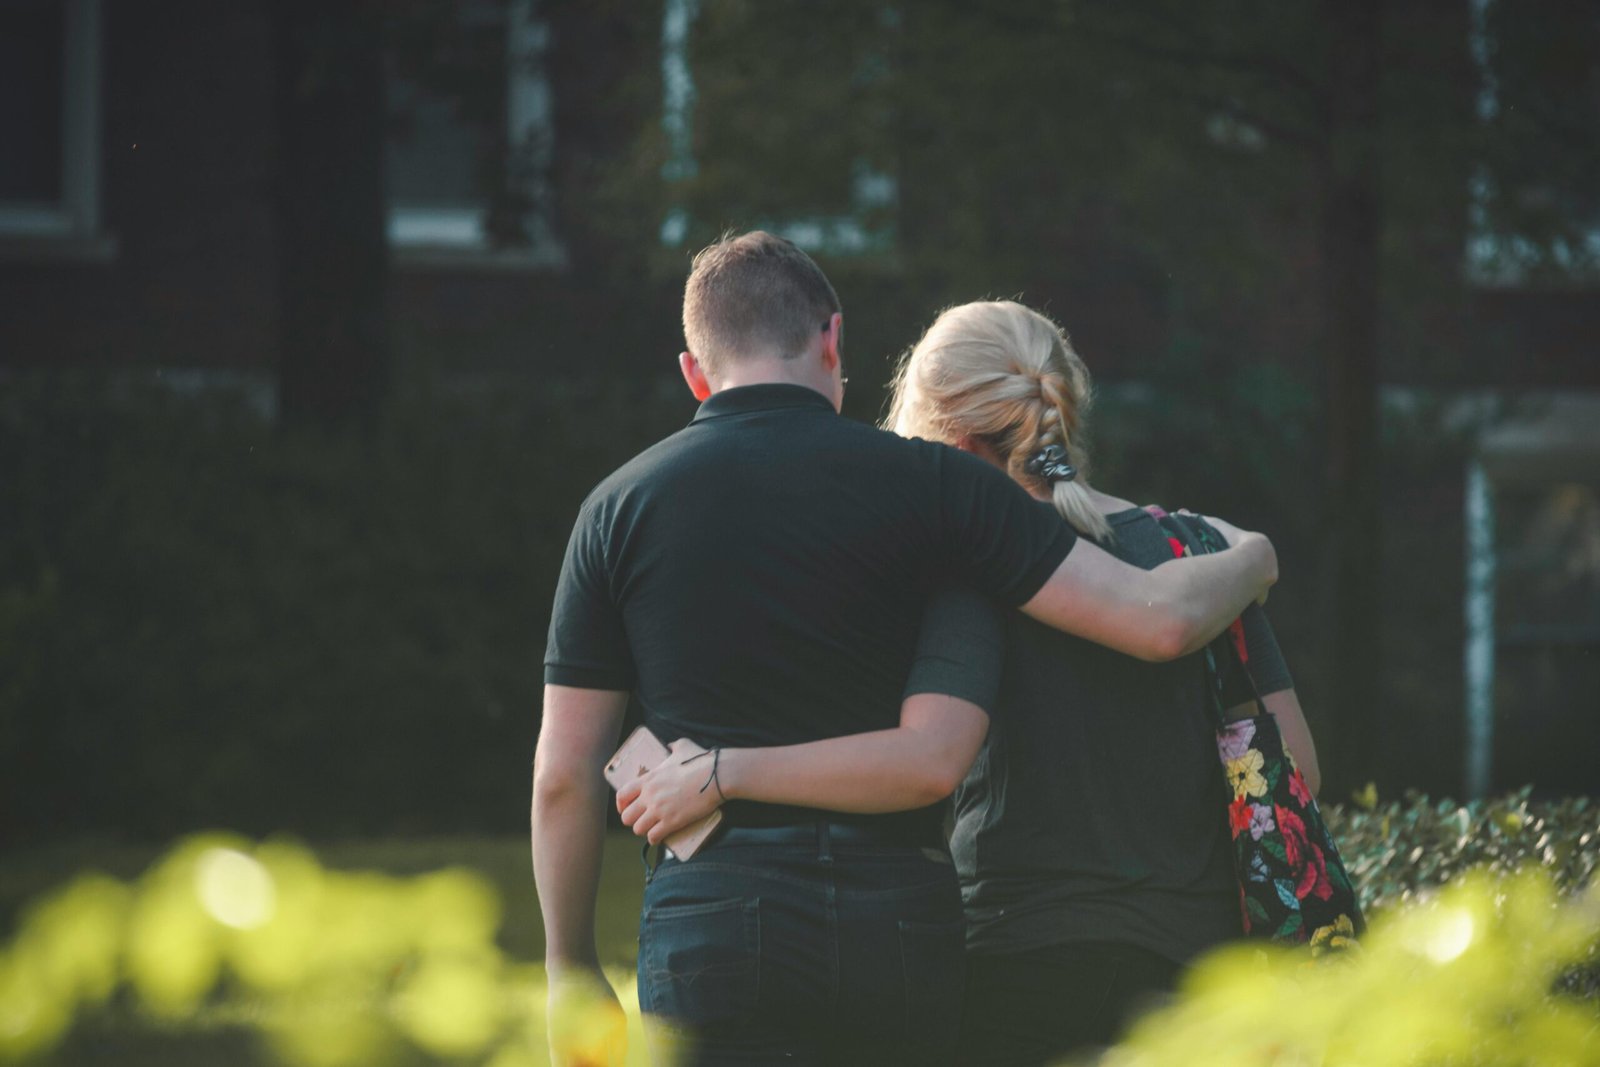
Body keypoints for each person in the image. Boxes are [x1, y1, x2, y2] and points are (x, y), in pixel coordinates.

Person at [532, 235, 1277, 1066]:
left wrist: (569, 967)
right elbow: (1152, 620)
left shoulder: (615, 509)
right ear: (832, 340)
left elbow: (565, 776)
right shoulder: (937, 484)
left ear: (694, 372)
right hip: (895, 914)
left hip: (712, 911)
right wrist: (1253, 554)